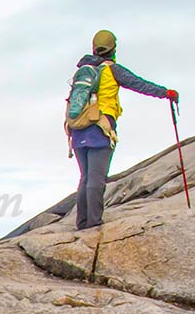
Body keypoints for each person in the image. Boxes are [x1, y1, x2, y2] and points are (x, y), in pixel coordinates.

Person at [64, 30, 177, 230]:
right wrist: (165, 93)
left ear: (94, 47)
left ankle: (82, 223)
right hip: (101, 128)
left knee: (86, 177)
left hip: (78, 129)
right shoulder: (112, 70)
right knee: (97, 178)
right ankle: (94, 224)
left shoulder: (83, 70)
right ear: (113, 49)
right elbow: (139, 84)